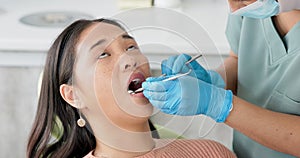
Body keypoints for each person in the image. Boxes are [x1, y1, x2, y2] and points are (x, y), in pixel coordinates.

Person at [26, 18, 236, 158]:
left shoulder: (210, 153)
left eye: (131, 47)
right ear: (73, 95)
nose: (129, 59)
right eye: (103, 54)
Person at [142, 0, 300, 157]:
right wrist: (215, 80)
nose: (233, 6)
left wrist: (219, 104)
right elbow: (239, 58)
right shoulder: (248, 6)